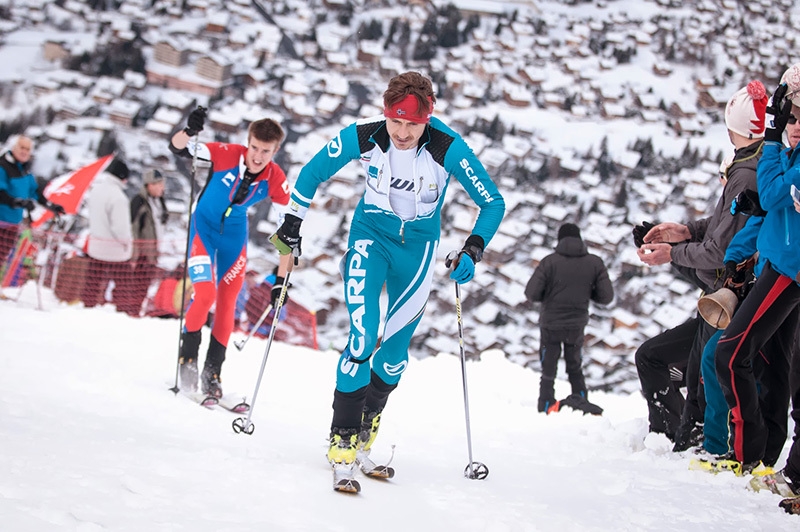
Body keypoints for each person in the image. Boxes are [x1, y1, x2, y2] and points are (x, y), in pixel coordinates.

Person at [271, 71, 505, 490]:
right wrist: (292, 223)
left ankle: (366, 427)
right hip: (370, 238)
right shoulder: (365, 135)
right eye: (395, 121)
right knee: (362, 337)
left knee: (395, 353)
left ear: (428, 118)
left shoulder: (447, 147)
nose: (401, 133)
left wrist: (473, 248)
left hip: (417, 250)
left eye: (412, 124)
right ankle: (341, 438)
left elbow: (492, 202)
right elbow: (310, 173)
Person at [634, 80, 767, 449]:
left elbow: (719, 251)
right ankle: (682, 436)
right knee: (693, 370)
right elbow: (722, 230)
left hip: (728, 295)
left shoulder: (746, 173)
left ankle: (688, 440)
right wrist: (684, 231)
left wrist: (672, 252)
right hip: (720, 291)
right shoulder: (749, 165)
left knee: (697, 370)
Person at [168, 108, 292, 397]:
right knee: (205, 294)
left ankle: (213, 373)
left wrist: (280, 280)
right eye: (254, 148)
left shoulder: (275, 178)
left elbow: (288, 234)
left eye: (266, 151)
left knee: (228, 303)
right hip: (203, 229)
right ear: (247, 143)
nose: (258, 157)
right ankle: (187, 361)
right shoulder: (225, 153)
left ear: (275, 152)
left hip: (234, 236)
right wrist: (189, 130)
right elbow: (177, 148)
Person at [716, 67, 800, 487]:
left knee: (730, 353)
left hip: (788, 270)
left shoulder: (787, 159)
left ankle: (748, 455)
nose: (796, 127)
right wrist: (737, 256)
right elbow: (768, 206)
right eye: (792, 117)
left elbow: (769, 195)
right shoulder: (790, 157)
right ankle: (763, 456)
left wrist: (771, 136)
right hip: (776, 263)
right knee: (774, 366)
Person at [524, 222, 613, 415]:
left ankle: (546, 405)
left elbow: (531, 293)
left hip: (551, 324)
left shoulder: (549, 262)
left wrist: (547, 296)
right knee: (575, 366)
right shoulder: (594, 263)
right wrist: (589, 293)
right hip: (576, 324)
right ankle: (581, 402)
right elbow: (606, 297)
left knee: (548, 368)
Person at [0, 135, 65, 263]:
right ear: (13, 148)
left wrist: (51, 205)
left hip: (12, 224)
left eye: (28, 149)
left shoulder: (25, 170)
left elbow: (34, 192)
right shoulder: (3, 166)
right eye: (22, 147)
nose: (24, 151)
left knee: (2, 258)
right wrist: (17, 202)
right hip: (1, 220)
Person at [81, 157, 134, 310]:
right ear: (123, 177)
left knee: (92, 283)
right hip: (114, 251)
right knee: (123, 285)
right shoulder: (118, 197)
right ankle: (122, 311)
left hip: (95, 246)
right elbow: (120, 228)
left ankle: (87, 308)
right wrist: (127, 244)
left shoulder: (96, 190)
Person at [117, 169, 168, 317]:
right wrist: (134, 254)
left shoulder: (160, 202)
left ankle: (136, 311)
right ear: (149, 185)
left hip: (153, 252)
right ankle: (129, 312)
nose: (162, 188)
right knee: (134, 284)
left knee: (144, 284)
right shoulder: (138, 202)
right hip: (141, 253)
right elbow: (133, 228)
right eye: (159, 184)